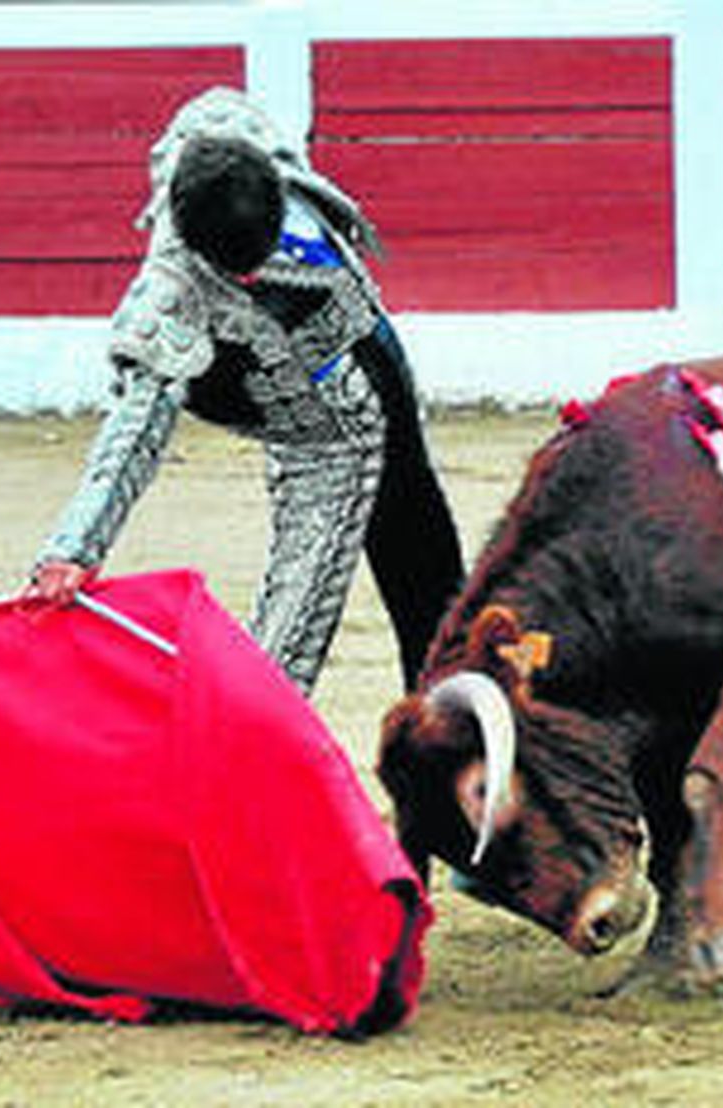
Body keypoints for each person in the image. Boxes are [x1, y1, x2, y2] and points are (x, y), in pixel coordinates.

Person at [26, 87, 463, 694]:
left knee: (432, 583)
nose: (253, 273)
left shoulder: (240, 145)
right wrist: (75, 546)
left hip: (371, 360)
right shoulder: (171, 292)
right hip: (319, 438)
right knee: (281, 662)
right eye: (239, 267)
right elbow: (136, 428)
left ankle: (449, 738)